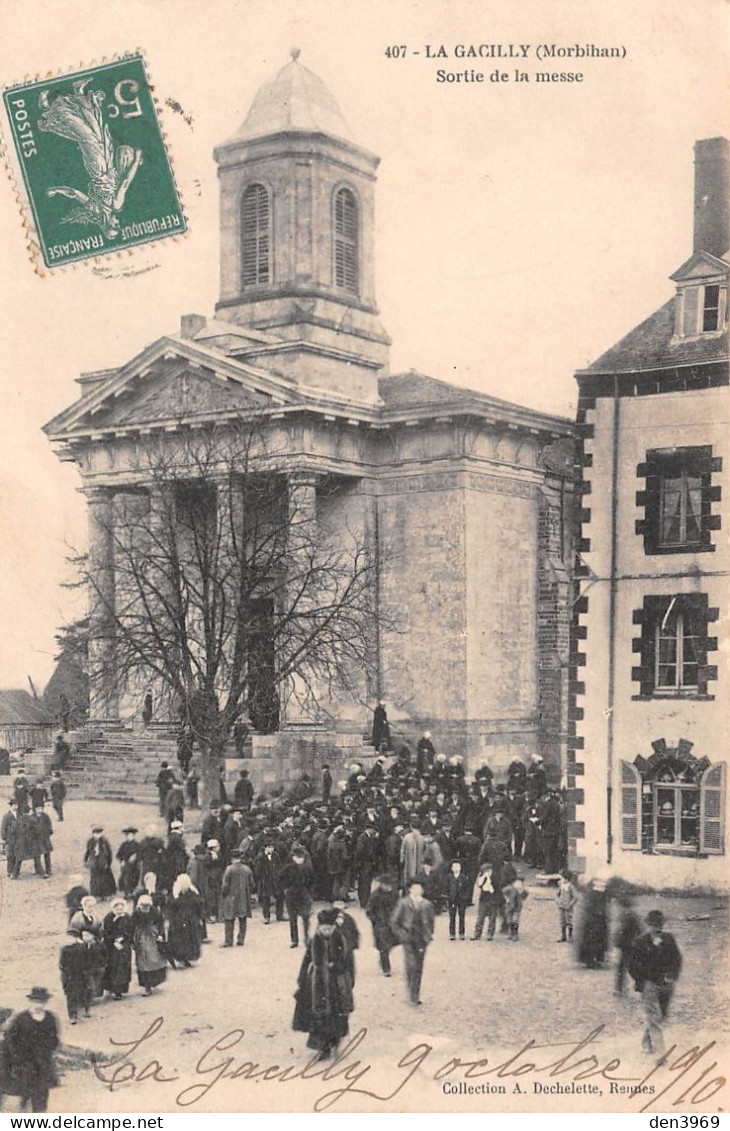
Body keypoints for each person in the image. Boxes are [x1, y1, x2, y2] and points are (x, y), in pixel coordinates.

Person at [292, 908, 355, 1061]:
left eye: (329, 928)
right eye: (324, 928)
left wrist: (349, 979)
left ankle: (335, 1044)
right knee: (319, 1016)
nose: (326, 931)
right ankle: (323, 1048)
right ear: (319, 927)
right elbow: (306, 961)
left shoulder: (341, 940)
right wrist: (302, 981)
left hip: (337, 985)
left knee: (337, 1015)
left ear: (334, 927)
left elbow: (349, 963)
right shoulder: (314, 941)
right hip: (317, 985)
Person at [628, 910, 683, 1055]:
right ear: (649, 925)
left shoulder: (669, 939)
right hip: (649, 985)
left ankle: (647, 1042)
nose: (658, 928)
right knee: (654, 1018)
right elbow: (632, 966)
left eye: (660, 925)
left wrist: (672, 975)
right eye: (654, 925)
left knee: (661, 1016)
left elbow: (677, 960)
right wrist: (642, 981)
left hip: (667, 985)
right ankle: (661, 1053)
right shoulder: (640, 942)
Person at [2, 988, 59, 1111]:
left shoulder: (49, 1018)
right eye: (36, 1001)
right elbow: (10, 1039)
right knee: (25, 1093)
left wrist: (48, 1048)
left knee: (41, 1096)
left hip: (43, 1063)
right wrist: (17, 1056)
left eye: (42, 1002)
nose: (38, 1005)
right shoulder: (21, 1018)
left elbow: (54, 1038)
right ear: (31, 1001)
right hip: (25, 1063)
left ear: (46, 1002)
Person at [390, 877, 435, 1006]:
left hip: (421, 938)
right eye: (414, 888)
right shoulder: (403, 903)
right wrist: (402, 935)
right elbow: (394, 921)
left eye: (419, 888)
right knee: (411, 965)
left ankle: (415, 994)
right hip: (408, 938)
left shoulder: (427, 904)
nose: (417, 890)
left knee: (419, 966)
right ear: (410, 889)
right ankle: (411, 994)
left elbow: (431, 922)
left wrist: (429, 935)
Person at [132, 894, 167, 996]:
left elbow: (161, 924)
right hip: (141, 939)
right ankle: (146, 986)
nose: (145, 908)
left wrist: (160, 935)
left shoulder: (155, 912)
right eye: (143, 906)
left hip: (153, 937)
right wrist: (132, 941)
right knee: (143, 962)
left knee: (155, 959)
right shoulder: (136, 913)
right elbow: (131, 926)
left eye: (147, 906)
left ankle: (154, 982)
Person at [279, 846, 314, 948]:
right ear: (293, 857)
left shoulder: (307, 868)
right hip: (293, 895)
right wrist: (286, 889)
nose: (300, 859)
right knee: (293, 918)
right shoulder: (288, 868)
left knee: (305, 917)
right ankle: (295, 939)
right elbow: (280, 879)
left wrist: (309, 892)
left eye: (301, 857)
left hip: (303, 894)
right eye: (298, 857)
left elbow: (312, 880)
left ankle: (305, 938)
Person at [366, 873, 399, 976]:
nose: (389, 887)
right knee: (383, 946)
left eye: (390, 885)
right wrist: (375, 920)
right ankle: (386, 969)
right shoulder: (375, 895)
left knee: (392, 943)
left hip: (392, 923)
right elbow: (369, 910)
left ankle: (383, 959)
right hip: (381, 925)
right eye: (387, 885)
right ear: (382, 885)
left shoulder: (395, 894)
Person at [167, 873, 205, 964]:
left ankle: (187, 957)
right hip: (182, 921)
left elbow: (199, 906)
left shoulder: (189, 893)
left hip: (187, 920)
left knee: (188, 939)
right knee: (184, 939)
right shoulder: (179, 894)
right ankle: (182, 957)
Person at [219, 847, 253, 947]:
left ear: (232, 858)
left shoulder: (229, 869)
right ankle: (241, 939)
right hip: (243, 897)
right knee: (242, 918)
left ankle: (228, 941)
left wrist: (223, 894)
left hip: (231, 897)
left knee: (229, 919)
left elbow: (225, 885)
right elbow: (252, 883)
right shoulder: (247, 869)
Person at [102, 897, 134, 999]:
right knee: (113, 967)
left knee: (122, 968)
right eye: (117, 909)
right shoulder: (108, 918)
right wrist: (113, 941)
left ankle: (120, 990)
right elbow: (106, 932)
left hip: (124, 946)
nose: (119, 911)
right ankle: (112, 989)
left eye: (121, 909)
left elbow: (131, 931)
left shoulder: (127, 918)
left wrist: (123, 938)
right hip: (112, 947)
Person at [59, 927, 92, 1023]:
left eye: (71, 938)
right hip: (69, 976)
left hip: (81, 975)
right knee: (71, 995)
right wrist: (65, 974)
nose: (68, 940)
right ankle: (72, 1015)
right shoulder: (64, 949)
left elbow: (87, 961)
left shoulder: (82, 948)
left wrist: (86, 972)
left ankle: (84, 1009)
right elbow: (61, 964)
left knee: (83, 992)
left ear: (76, 938)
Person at [614, 894, 643, 994]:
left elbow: (635, 930)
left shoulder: (628, 915)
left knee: (629, 967)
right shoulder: (627, 914)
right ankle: (620, 988)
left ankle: (639, 984)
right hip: (627, 945)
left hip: (629, 945)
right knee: (625, 967)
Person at [577, 877, 609, 969]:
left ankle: (596, 959)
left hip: (599, 922)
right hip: (593, 922)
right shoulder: (593, 896)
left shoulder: (601, 896)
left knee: (598, 941)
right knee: (592, 941)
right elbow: (591, 909)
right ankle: (590, 960)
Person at [84, 826, 116, 898]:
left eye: (99, 833)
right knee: (95, 879)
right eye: (96, 833)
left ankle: (106, 894)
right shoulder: (90, 842)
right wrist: (86, 860)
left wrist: (108, 862)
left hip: (103, 863)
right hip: (94, 863)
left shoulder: (104, 842)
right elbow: (88, 852)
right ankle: (96, 894)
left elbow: (109, 853)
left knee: (105, 879)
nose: (97, 835)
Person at [446, 859, 472, 941]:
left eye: (458, 866)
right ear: (451, 868)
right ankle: (452, 933)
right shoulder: (449, 877)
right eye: (454, 867)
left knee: (461, 916)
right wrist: (448, 897)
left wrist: (465, 898)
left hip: (461, 900)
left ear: (460, 868)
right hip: (452, 899)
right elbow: (446, 888)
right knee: (452, 917)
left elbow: (467, 889)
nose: (456, 868)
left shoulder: (464, 877)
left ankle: (461, 933)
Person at [400, 818, 425, 891]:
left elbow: (402, 851)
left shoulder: (407, 837)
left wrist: (402, 860)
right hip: (419, 865)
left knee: (408, 880)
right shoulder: (422, 838)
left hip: (408, 864)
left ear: (411, 826)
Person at [502, 874, 528, 941]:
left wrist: (522, 894)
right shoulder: (510, 888)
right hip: (509, 906)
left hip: (517, 907)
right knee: (509, 920)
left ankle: (515, 934)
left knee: (515, 920)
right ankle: (510, 932)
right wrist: (506, 899)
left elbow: (525, 896)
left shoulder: (522, 890)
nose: (518, 885)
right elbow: (503, 892)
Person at [556, 868, 579, 943]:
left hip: (568, 907)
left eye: (562, 878)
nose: (561, 879)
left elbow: (576, 897)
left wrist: (570, 904)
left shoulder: (571, 887)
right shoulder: (561, 885)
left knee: (569, 921)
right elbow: (558, 894)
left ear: (566, 879)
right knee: (562, 921)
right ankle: (563, 935)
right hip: (561, 906)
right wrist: (558, 900)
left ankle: (570, 935)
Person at [116, 827, 141, 896]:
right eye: (128, 836)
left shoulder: (137, 845)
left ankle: (132, 891)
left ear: (133, 836)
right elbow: (119, 854)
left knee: (134, 878)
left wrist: (135, 857)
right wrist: (122, 860)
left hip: (134, 866)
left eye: (131, 836)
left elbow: (140, 854)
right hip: (126, 865)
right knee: (125, 878)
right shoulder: (124, 845)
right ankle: (126, 892)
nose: (129, 837)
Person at [31, 804, 53, 876]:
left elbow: (50, 827)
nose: (40, 810)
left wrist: (46, 834)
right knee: (36, 855)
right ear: (35, 809)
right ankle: (38, 870)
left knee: (47, 854)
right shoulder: (32, 817)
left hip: (45, 838)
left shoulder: (45, 816)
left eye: (41, 808)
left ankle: (48, 870)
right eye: (38, 808)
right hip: (36, 839)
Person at [1, 798, 18, 877]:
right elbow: (3, 828)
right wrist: (4, 838)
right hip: (9, 838)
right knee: (10, 855)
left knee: (16, 854)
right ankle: (9, 871)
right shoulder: (6, 816)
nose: (16, 807)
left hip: (17, 838)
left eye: (17, 805)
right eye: (14, 805)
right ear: (11, 806)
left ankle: (15, 871)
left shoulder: (19, 814)